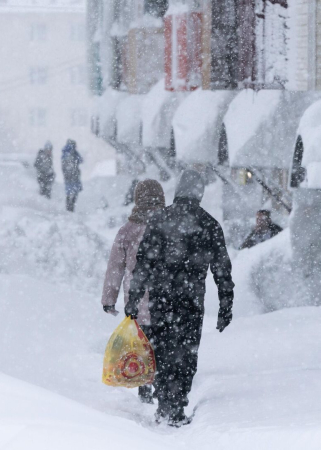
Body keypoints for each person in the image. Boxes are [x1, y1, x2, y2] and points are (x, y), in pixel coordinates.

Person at [127, 170, 235, 427]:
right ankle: (176, 405)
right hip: (191, 301)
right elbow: (222, 269)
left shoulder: (158, 220)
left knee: (161, 349)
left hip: (160, 299)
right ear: (199, 193)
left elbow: (144, 263)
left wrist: (133, 298)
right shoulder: (209, 224)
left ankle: (164, 400)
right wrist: (225, 305)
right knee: (185, 354)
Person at [101, 180, 166, 404]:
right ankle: (162, 389)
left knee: (140, 348)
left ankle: (144, 389)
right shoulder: (169, 225)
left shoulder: (127, 230)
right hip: (166, 301)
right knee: (162, 347)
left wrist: (109, 299)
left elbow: (115, 267)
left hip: (137, 301)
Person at [61, 139, 83, 212]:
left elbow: (63, 166)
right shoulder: (73, 153)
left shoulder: (64, 153)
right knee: (74, 193)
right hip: (74, 176)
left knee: (69, 192)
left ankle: (68, 208)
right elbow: (81, 160)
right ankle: (71, 208)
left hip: (68, 177)